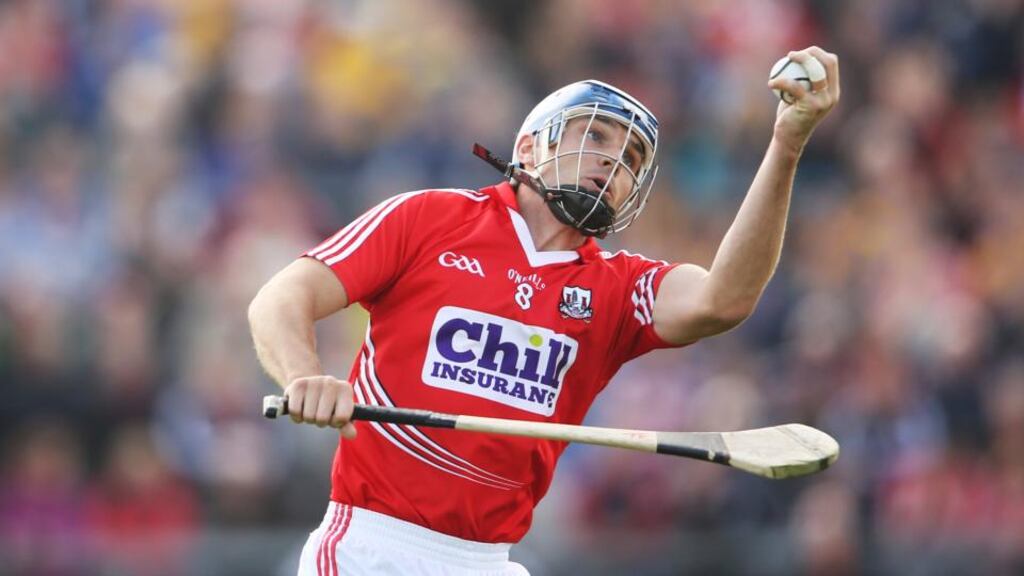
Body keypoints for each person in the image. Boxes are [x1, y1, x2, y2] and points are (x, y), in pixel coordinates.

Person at [248, 47, 840, 576]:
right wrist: (305, 377)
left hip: (488, 561)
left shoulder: (619, 288)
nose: (614, 163)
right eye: (596, 136)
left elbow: (723, 299)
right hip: (372, 549)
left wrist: (786, 146)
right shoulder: (429, 219)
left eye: (631, 156)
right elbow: (281, 298)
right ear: (530, 147)